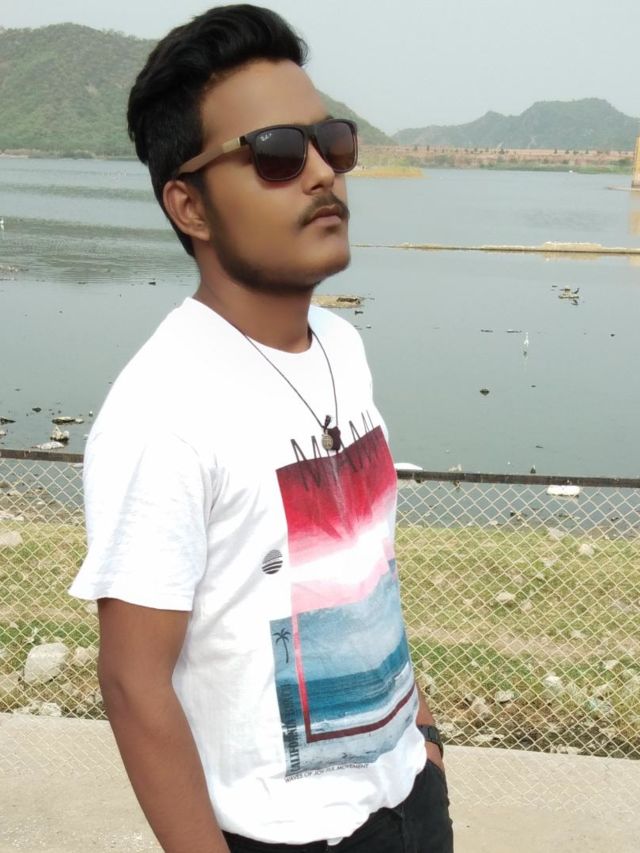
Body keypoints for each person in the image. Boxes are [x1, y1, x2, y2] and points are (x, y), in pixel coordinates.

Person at [69, 5, 453, 852]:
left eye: (332, 143)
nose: (321, 173)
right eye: (277, 153)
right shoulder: (162, 408)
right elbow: (133, 683)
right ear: (190, 206)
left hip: (410, 799)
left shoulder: (343, 346)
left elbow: (365, 572)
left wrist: (424, 738)